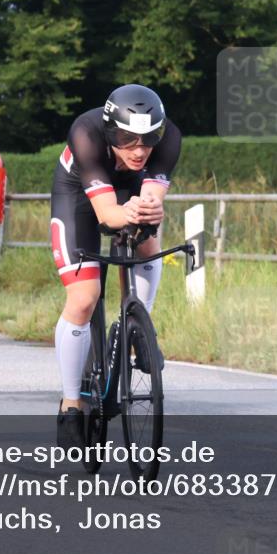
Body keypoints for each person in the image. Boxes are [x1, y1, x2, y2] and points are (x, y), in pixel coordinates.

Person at [49, 84, 181, 448]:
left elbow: (151, 197)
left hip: (127, 190)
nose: (139, 150)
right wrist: (127, 212)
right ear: (110, 132)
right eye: (127, 140)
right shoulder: (86, 133)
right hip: (77, 196)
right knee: (84, 297)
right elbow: (107, 215)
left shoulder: (169, 139)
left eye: (148, 140)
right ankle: (72, 401)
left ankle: (140, 330)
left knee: (148, 240)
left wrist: (149, 210)